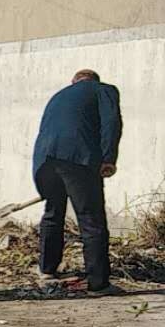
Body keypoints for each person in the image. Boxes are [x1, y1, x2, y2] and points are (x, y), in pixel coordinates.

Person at [32, 69, 123, 297]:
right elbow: (111, 122)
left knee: (53, 212)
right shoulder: (103, 90)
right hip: (77, 158)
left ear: (74, 82)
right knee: (91, 219)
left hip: (44, 160)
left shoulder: (59, 95)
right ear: (94, 80)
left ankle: (47, 270)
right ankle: (98, 284)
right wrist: (108, 158)